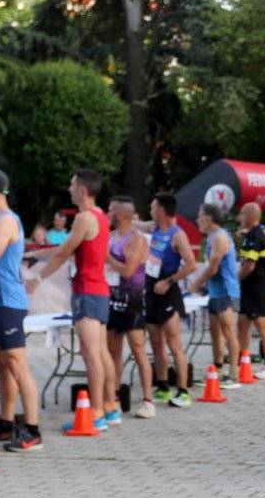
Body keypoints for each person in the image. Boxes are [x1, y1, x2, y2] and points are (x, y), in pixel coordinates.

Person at [29, 169, 120, 431]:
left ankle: (96, 413)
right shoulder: (100, 215)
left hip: (87, 290)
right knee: (101, 352)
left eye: (71, 186)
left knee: (91, 354)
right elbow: (67, 249)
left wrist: (37, 279)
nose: (69, 190)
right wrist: (36, 255)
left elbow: (62, 254)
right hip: (98, 290)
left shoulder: (83, 218)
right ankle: (110, 407)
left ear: (82, 190)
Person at [0, 169, 42, 452]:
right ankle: (5, 425)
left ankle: (33, 431)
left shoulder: (5, 222)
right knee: (2, 365)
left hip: (9, 302)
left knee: (17, 365)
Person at [142, 193, 198, 407]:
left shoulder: (178, 235)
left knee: (173, 343)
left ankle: (183, 391)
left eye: (152, 207)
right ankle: (163, 387)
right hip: (151, 292)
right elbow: (134, 224)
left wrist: (169, 281)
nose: (150, 210)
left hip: (168, 293)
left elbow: (191, 265)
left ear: (161, 210)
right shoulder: (153, 228)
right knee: (156, 343)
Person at [105, 195, 156, 419]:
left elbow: (128, 271)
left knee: (137, 349)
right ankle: (114, 399)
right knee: (113, 352)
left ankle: (148, 400)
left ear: (118, 214)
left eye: (110, 210)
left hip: (132, 300)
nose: (107, 214)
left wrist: (106, 257)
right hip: (111, 298)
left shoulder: (137, 239)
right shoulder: (110, 237)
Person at [190, 203, 242, 388]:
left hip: (227, 291)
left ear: (209, 218)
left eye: (200, 216)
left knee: (228, 332)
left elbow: (213, 268)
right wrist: (203, 286)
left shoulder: (220, 237)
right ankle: (217, 371)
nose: (197, 220)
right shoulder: (211, 237)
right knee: (215, 333)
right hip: (215, 291)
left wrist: (195, 284)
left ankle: (233, 374)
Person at [236, 202, 265, 380]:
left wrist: (235, 280)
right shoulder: (250, 235)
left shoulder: (256, 236)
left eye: (242, 214)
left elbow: (249, 266)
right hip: (248, 289)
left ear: (250, 217)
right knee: (243, 323)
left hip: (257, 289)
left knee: (263, 326)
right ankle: (242, 360)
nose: (239, 217)